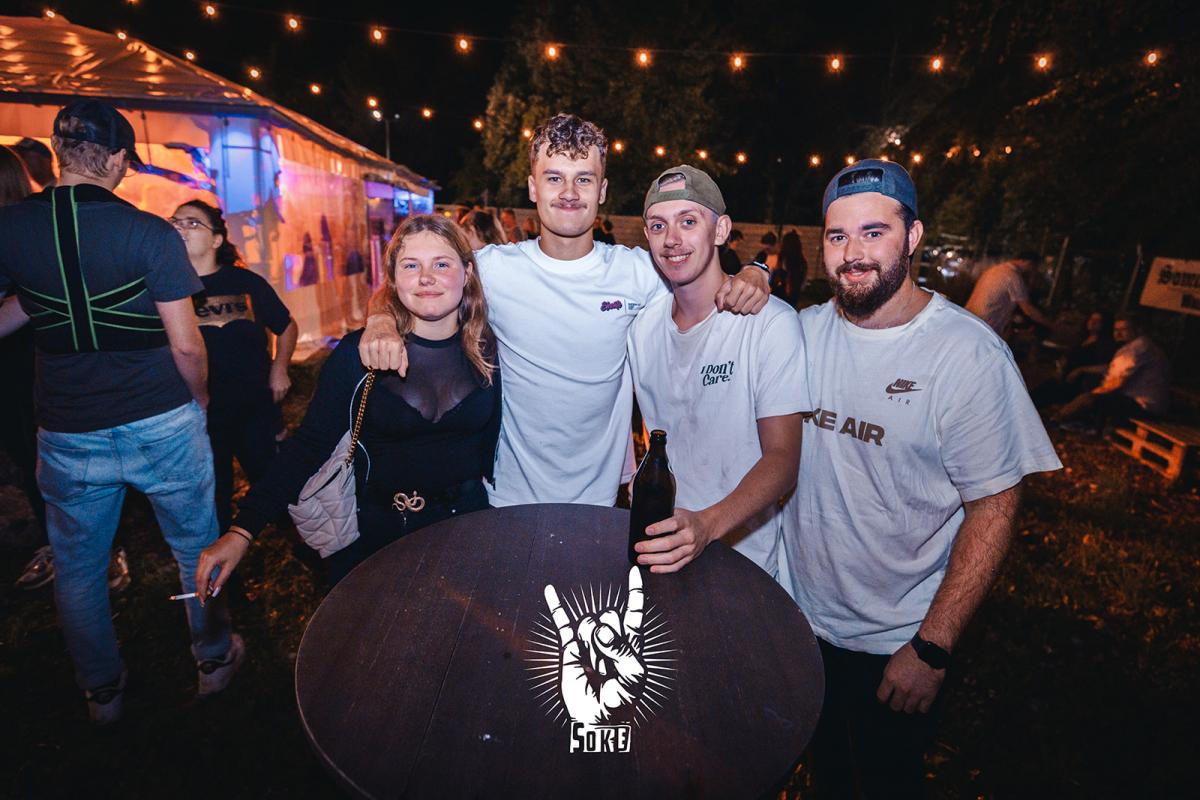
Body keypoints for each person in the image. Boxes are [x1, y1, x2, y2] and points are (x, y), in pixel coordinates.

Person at [781, 160, 1062, 798]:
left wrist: (933, 647)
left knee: (885, 782)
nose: (853, 253)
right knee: (827, 777)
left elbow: (995, 507)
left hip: (897, 642)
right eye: (837, 236)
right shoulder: (800, 333)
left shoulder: (967, 354)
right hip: (801, 624)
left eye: (874, 232)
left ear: (913, 238)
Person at [355, 113, 769, 509]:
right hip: (508, 498)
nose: (569, 192)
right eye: (554, 178)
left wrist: (756, 271)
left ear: (602, 191)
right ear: (533, 188)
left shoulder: (638, 272)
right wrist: (380, 321)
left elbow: (706, 280)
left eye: (583, 179)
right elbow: (408, 288)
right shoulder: (495, 269)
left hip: (599, 501)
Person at [0, 100, 241, 724]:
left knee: (79, 567)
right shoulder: (148, 233)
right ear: (114, 159)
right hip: (160, 416)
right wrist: (201, 398)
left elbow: (24, 305)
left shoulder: (11, 227)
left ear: (58, 152)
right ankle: (214, 659)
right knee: (195, 548)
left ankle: (101, 692)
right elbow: (187, 345)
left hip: (66, 429)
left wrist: (42, 306)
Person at [195, 214, 502, 589]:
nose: (426, 277)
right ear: (393, 280)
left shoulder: (492, 351)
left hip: (468, 529)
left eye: (441, 264)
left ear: (467, 273)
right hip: (380, 535)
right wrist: (242, 530)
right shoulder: (360, 355)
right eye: (411, 265)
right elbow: (310, 445)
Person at [627, 165, 807, 578]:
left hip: (744, 561)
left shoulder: (769, 323)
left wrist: (707, 525)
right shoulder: (642, 328)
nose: (672, 239)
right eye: (658, 225)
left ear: (721, 230)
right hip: (662, 546)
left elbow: (783, 459)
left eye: (688, 222)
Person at [171, 200, 298, 532]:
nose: (180, 228)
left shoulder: (246, 283)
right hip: (198, 414)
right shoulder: (166, 286)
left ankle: (304, 546)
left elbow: (286, 326)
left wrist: (280, 368)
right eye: (175, 222)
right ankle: (222, 560)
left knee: (274, 485)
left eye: (192, 223)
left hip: (253, 406)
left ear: (216, 240)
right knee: (213, 497)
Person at [1051, 312, 1170, 429]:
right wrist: (1082, 369)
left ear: (1137, 329)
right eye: (1116, 329)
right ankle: (1080, 420)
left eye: (1124, 329)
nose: (1118, 333)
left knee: (1091, 398)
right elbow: (1111, 368)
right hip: (1137, 400)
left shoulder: (1138, 348)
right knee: (1090, 380)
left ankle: (1059, 418)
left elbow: (1116, 383)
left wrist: (1090, 396)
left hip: (1142, 405)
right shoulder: (1134, 346)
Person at [1031, 309, 1116, 408]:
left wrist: (1081, 369)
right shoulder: (1082, 339)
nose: (1092, 322)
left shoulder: (1104, 345)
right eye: (1091, 319)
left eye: (1098, 321)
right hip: (1062, 376)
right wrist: (1061, 366)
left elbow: (1106, 366)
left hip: (1077, 383)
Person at [964, 253, 1054, 337]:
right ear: (1028, 262)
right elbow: (1028, 309)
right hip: (985, 326)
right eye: (1034, 267)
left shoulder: (994, 270)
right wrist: (1051, 325)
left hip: (969, 319)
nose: (1032, 270)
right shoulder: (1013, 277)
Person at [775, 229, 808, 305]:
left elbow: (781, 276)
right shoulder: (801, 260)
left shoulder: (783, 258)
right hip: (794, 293)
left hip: (783, 293)